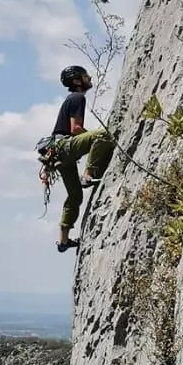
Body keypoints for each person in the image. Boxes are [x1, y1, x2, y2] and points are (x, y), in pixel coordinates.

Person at [36, 66, 115, 254]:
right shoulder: (78, 97)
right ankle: (88, 175)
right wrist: (92, 140)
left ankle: (63, 240)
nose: (89, 78)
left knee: (75, 196)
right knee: (103, 135)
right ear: (77, 81)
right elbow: (76, 129)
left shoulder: (71, 99)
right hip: (64, 146)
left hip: (58, 155)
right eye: (85, 76)